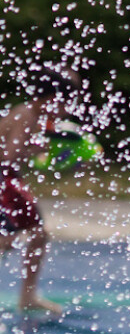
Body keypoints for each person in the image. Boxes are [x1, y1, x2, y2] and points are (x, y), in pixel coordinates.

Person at [0, 65, 81, 315]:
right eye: (63, 105)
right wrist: (38, 150)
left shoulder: (35, 116)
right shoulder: (25, 114)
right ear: (49, 99)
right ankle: (27, 296)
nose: (65, 111)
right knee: (9, 238)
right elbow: (8, 155)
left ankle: (28, 297)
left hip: (9, 178)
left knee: (37, 234)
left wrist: (47, 149)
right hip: (4, 178)